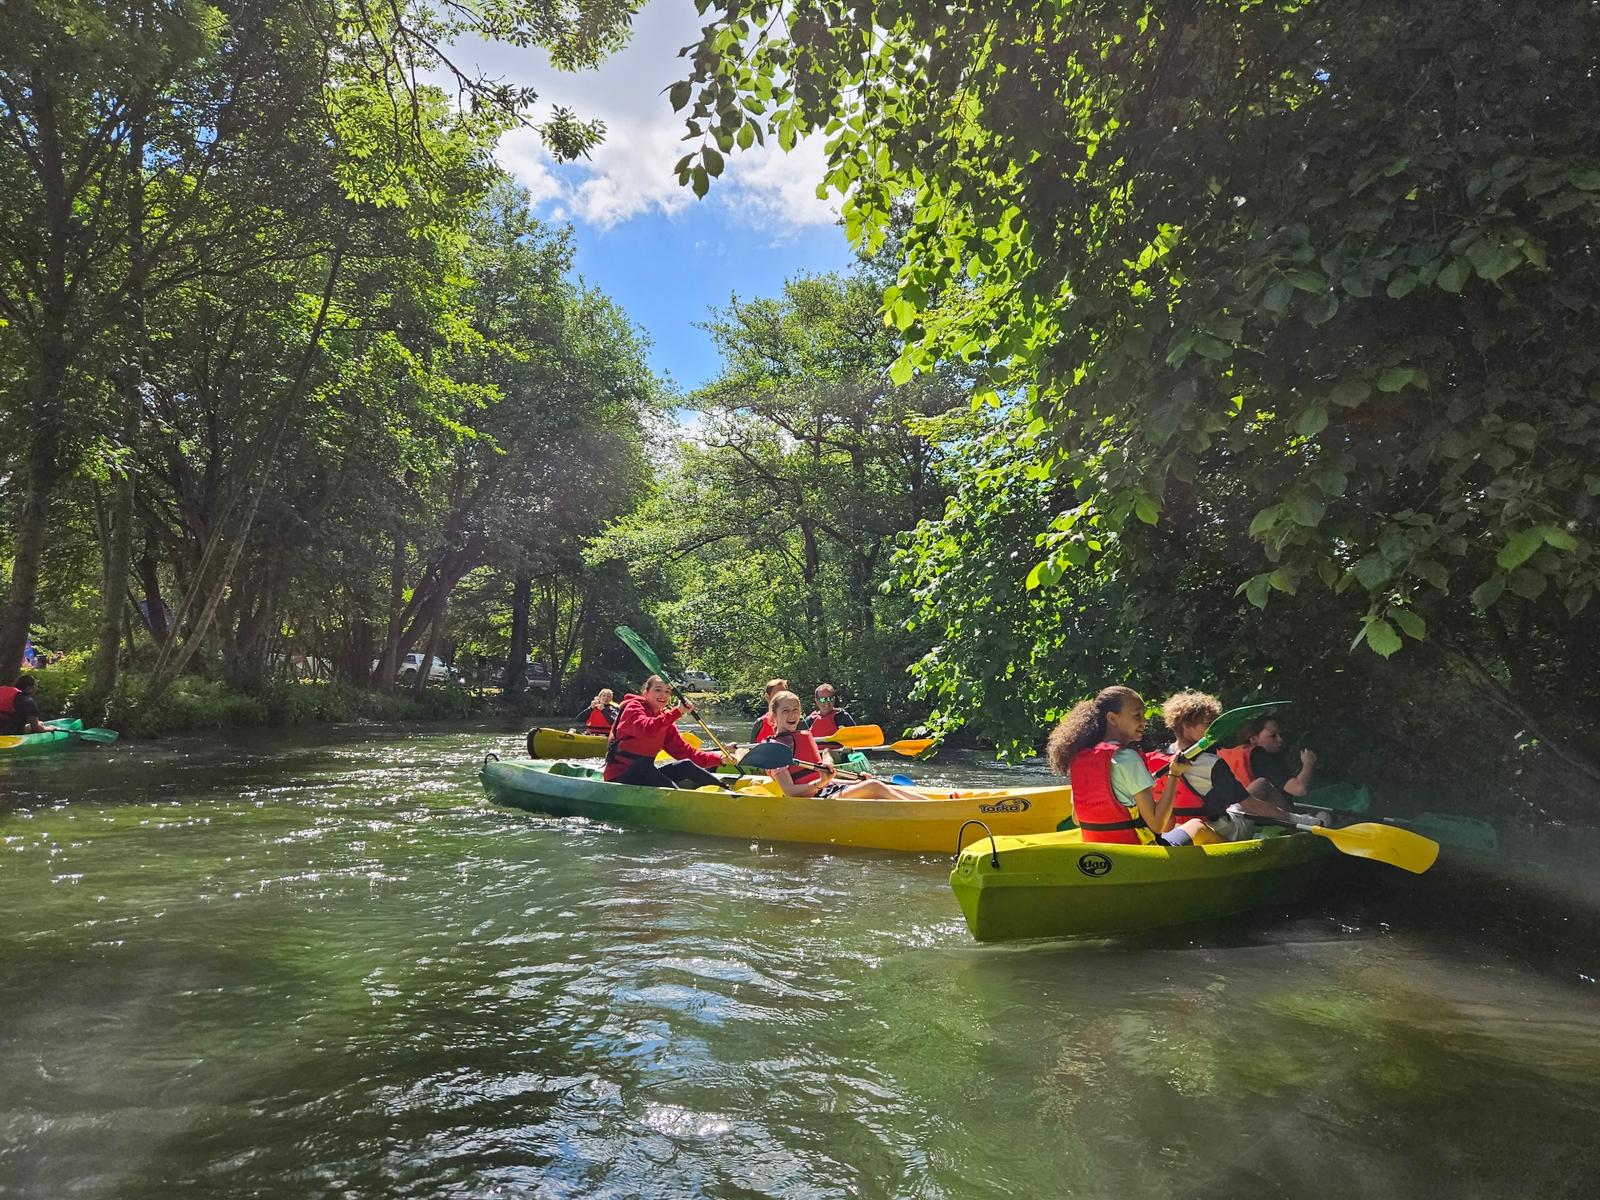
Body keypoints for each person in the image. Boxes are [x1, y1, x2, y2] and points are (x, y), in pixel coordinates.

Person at [1045, 686, 1205, 846]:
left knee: (1177, 827)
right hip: (1137, 852)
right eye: (1137, 716)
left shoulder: (1079, 758)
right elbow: (1158, 825)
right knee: (1197, 825)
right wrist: (1174, 774)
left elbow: (1077, 819)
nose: (1144, 721)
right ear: (1112, 718)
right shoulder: (1127, 758)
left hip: (1098, 850)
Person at [1155, 692, 1301, 842]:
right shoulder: (1211, 763)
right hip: (1220, 831)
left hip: (1176, 829)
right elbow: (1251, 805)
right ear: (1187, 726)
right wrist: (1299, 820)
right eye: (1208, 724)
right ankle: (1299, 828)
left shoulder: (1157, 758)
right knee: (1262, 787)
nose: (1214, 730)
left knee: (1259, 786)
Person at [759, 690, 927, 801]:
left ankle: (938, 805)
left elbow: (825, 779)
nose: (792, 714)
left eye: (796, 709)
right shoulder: (775, 749)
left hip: (825, 790)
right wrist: (822, 783)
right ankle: (927, 812)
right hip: (814, 799)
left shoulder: (803, 737)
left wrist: (855, 782)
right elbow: (791, 792)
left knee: (874, 783)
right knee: (874, 786)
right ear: (774, 716)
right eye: (786, 710)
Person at [604, 675, 734, 788]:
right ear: (646, 693)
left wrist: (720, 759)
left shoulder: (666, 721)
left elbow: (685, 752)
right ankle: (676, 798)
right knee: (643, 764)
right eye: (658, 690)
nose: (663, 695)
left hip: (645, 774)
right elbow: (646, 728)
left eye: (667, 691)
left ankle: (727, 792)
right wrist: (677, 712)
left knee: (686, 764)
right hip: (620, 777)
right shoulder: (633, 707)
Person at [1217, 716, 1317, 805]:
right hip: (1266, 817)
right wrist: (1308, 762)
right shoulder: (1260, 758)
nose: (1280, 740)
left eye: (1280, 735)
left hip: (1243, 813)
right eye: (1273, 736)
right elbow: (1299, 788)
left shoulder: (1237, 754)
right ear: (1254, 739)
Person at [749, 677, 791, 742]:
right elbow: (751, 749)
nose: (782, 698)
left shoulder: (795, 721)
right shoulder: (760, 723)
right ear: (767, 697)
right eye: (777, 695)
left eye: (784, 694)